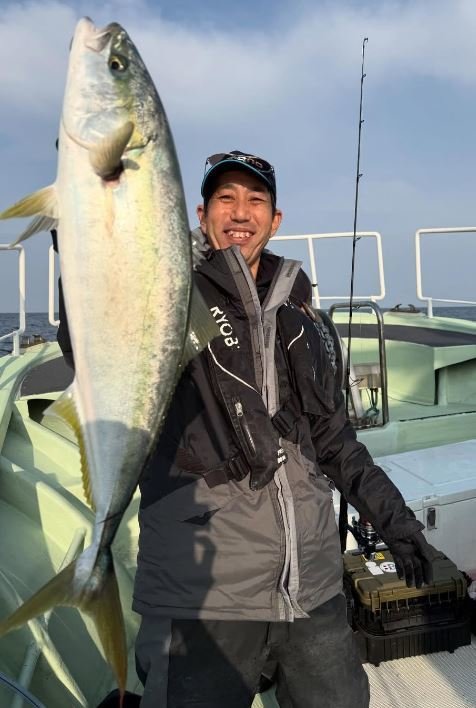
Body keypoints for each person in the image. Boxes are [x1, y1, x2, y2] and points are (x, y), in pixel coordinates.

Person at [57, 151, 441, 708]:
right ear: (202, 214)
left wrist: (397, 523)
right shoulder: (165, 294)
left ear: (275, 219)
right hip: (204, 595)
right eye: (226, 198)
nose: (241, 212)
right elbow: (95, 331)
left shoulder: (302, 313)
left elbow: (335, 441)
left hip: (312, 588)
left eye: (255, 200)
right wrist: (85, 209)